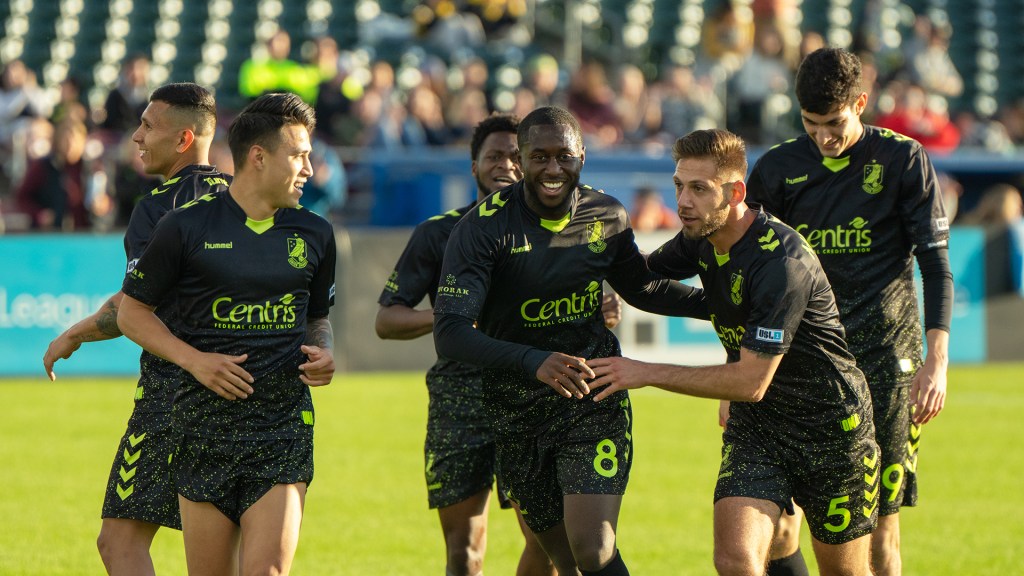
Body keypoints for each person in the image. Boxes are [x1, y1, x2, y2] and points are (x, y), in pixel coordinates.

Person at [589, 128, 881, 576]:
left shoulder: (781, 263)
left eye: (699, 189)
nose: (683, 201)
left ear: (735, 191)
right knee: (736, 560)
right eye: (679, 187)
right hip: (760, 429)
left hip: (832, 426)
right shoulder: (700, 236)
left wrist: (642, 371)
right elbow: (643, 283)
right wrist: (594, 247)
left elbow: (750, 382)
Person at [433, 106, 708, 576]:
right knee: (563, 560)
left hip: (591, 395)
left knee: (593, 548)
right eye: (539, 157)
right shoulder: (481, 228)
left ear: (582, 154)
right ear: (520, 160)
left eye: (565, 155)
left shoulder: (607, 214)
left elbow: (642, 287)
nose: (553, 169)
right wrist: (533, 361)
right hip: (515, 410)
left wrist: (722, 305)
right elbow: (450, 332)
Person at [377, 112, 622, 576]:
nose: (506, 165)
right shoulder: (439, 232)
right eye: (494, 156)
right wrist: (458, 314)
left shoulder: (564, 223)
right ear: (473, 165)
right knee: (464, 547)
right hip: (460, 396)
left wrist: (599, 308)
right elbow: (386, 320)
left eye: (515, 156)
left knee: (547, 538)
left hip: (531, 390)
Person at [745, 47, 952, 576]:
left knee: (879, 531)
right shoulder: (777, 169)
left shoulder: (903, 160)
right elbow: (751, 280)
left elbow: (936, 264)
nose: (824, 137)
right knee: (780, 526)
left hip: (885, 366)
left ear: (861, 103)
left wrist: (938, 360)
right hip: (802, 366)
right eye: (811, 124)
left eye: (835, 123)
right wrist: (738, 372)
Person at [117, 92, 336, 576]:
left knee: (266, 572)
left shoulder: (316, 233)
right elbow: (132, 313)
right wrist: (194, 360)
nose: (310, 169)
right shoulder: (184, 227)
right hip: (202, 426)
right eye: (299, 155)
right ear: (258, 156)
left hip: (281, 426)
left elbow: (317, 317)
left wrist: (324, 350)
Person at [40, 82, 230, 576]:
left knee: (119, 541)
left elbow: (133, 306)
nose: (137, 136)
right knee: (218, 553)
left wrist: (75, 334)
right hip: (240, 391)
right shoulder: (239, 199)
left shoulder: (160, 206)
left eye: (148, 125)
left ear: (184, 139)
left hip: (171, 395)